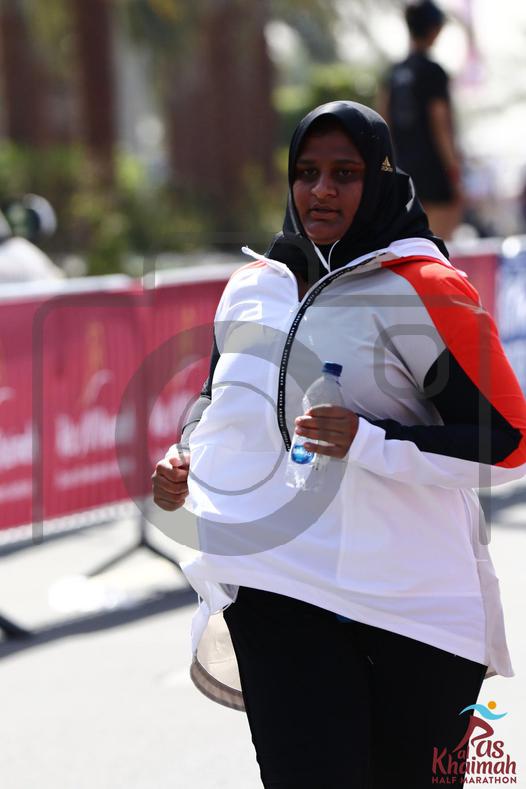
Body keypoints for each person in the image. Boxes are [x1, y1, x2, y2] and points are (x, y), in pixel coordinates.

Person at [152, 101, 526, 788]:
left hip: (413, 602)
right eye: (307, 172)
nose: (321, 190)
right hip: (277, 584)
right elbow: (216, 402)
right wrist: (184, 459)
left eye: (345, 173)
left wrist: (370, 440)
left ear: (379, 180)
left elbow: (507, 444)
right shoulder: (252, 286)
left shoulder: (426, 289)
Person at [379, 0, 463, 240]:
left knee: (409, 242)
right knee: (439, 243)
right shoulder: (433, 71)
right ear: (434, 29)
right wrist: (454, 170)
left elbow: (383, 122)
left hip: (402, 169)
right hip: (434, 169)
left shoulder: (392, 73)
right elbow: (440, 125)